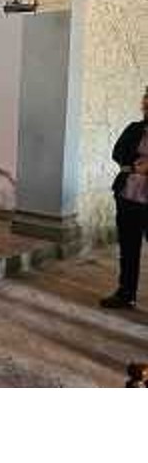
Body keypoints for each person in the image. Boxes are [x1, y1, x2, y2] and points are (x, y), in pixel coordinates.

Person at [100, 88, 148, 310]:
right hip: (128, 196)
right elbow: (117, 152)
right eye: (145, 98)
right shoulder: (134, 128)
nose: (145, 102)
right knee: (128, 248)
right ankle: (126, 293)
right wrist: (136, 165)